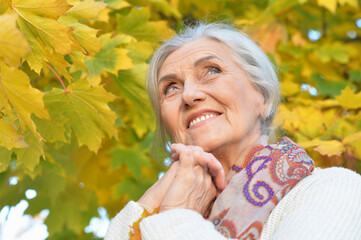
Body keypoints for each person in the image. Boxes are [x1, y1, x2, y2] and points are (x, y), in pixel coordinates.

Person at [105, 22, 361, 240]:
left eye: (212, 71)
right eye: (171, 88)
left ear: (263, 97)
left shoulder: (335, 190)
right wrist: (149, 205)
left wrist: (175, 217)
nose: (189, 95)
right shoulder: (156, 214)